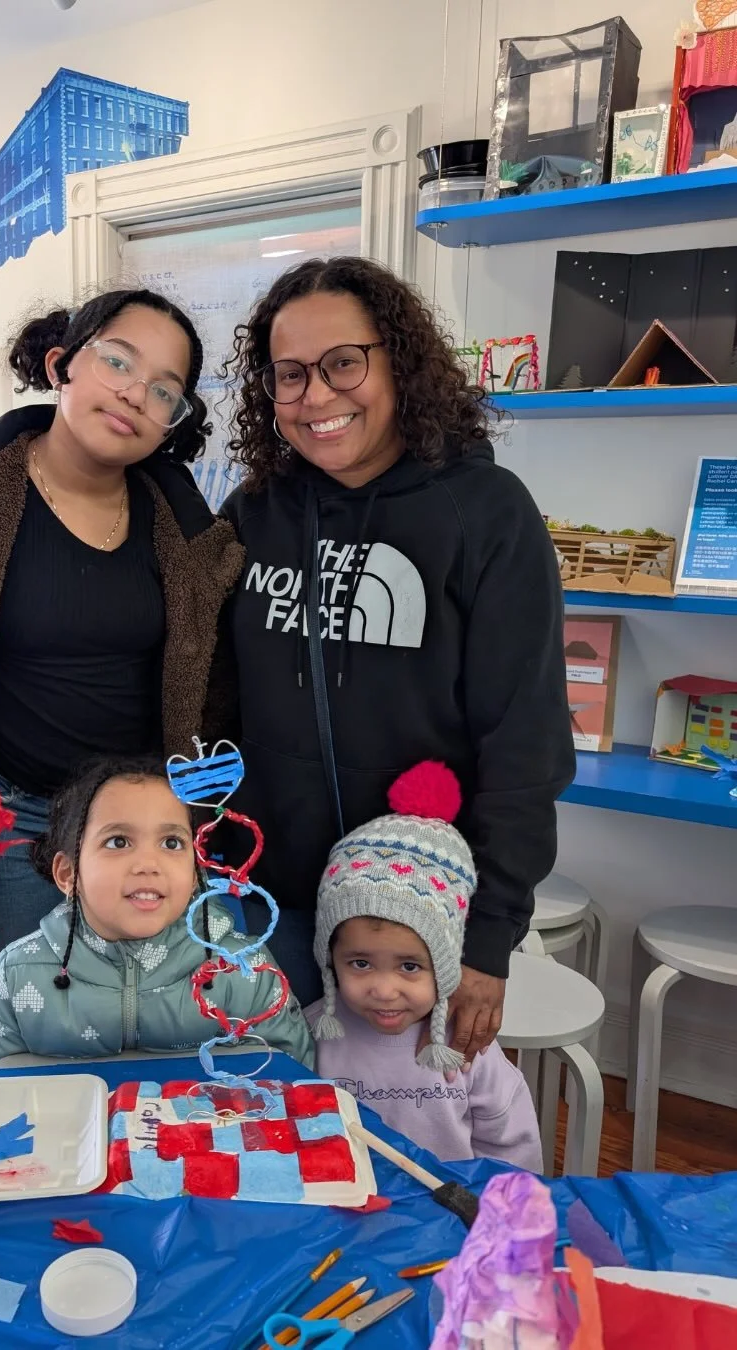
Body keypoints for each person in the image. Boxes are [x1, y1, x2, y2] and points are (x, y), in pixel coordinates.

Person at [218, 255, 575, 1062]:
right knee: (273, 1131)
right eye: (289, 374)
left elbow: (525, 745)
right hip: (265, 905)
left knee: (407, 1144)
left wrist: (489, 941)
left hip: (412, 918)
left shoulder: (487, 513)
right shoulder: (254, 514)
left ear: (398, 362)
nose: (317, 395)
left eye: (344, 362)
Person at [0, 289, 243, 953]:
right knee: (16, 1036)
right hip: (9, 828)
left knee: (140, 1028)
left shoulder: (189, 534)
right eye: (118, 363)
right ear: (62, 365)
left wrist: (194, 816)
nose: (132, 395)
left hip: (143, 829)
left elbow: (212, 694)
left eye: (162, 391)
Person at [0, 755, 315, 1067]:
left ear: (196, 872)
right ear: (68, 874)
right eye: (118, 842)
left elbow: (295, 1076)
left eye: (172, 843)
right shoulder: (17, 974)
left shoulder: (245, 970)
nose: (149, 864)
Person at [307, 761, 542, 1171]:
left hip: (448, 1223)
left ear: (448, 961)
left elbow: (510, 1148)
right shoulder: (310, 1036)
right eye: (360, 962)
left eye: (410, 967)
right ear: (330, 958)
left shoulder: (467, 1050)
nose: (383, 989)